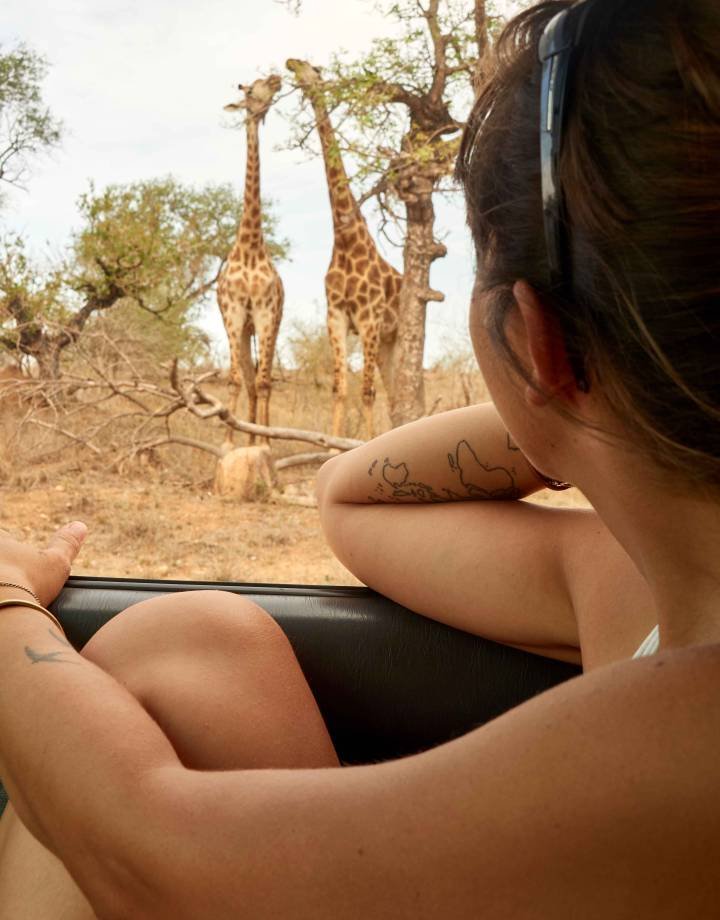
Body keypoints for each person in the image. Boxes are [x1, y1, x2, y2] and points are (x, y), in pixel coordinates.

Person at [1, 0, 719, 915]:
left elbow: (149, 854)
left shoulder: (688, 734)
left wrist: (6, 602)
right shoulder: (639, 583)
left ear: (535, 339)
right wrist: (615, 408)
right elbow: (351, 502)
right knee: (191, 644)